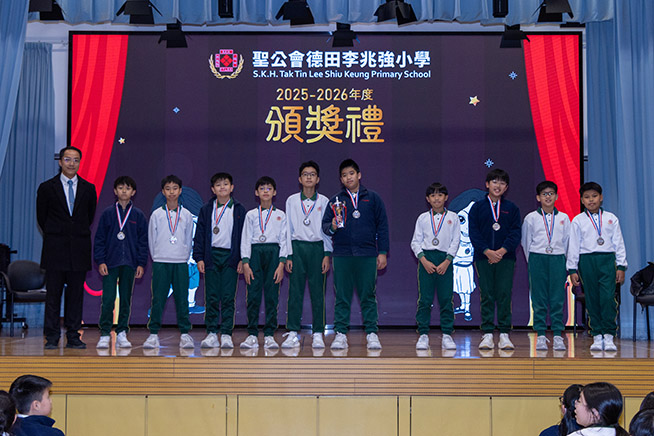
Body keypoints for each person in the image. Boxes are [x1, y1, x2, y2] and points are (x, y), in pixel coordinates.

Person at [321, 159, 389, 350]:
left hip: (367, 254)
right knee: (342, 296)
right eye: (344, 175)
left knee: (368, 295)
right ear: (341, 179)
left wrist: (382, 252)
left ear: (359, 175)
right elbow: (325, 226)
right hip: (342, 255)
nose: (348, 178)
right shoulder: (335, 201)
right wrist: (332, 226)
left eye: (351, 173)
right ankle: (340, 334)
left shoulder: (373, 198)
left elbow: (382, 226)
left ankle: (372, 333)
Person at [37, 146, 97, 350]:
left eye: (76, 160)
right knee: (53, 296)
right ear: (60, 161)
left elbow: (88, 217)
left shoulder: (88, 188)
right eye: (68, 159)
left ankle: (73, 336)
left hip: (78, 250)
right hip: (55, 250)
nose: (72, 163)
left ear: (80, 163)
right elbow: (42, 218)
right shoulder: (47, 188)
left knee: (75, 296)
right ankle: (52, 336)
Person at [567, 182, 627, 352]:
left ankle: (608, 334)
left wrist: (621, 266)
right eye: (587, 197)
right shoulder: (578, 220)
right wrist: (572, 269)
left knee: (607, 298)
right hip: (587, 261)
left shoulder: (611, 218)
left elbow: (619, 243)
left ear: (601, 198)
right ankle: (597, 335)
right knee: (592, 298)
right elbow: (573, 246)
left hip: (607, 260)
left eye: (594, 196)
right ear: (582, 200)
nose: (591, 200)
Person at [468, 169, 521, 350]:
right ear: (487, 184)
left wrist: (502, 251)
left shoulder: (512, 208)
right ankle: (488, 333)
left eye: (502, 183)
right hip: (483, 258)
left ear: (506, 187)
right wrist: (487, 251)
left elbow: (515, 233)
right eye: (494, 182)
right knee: (487, 294)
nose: (498, 186)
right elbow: (473, 233)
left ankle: (505, 333)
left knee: (504, 294)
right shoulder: (477, 208)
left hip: (506, 258)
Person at [93, 176, 148, 349]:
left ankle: (122, 331)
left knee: (125, 299)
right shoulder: (108, 213)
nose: (124, 191)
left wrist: (141, 263)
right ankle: (104, 333)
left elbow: (143, 242)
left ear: (133, 192)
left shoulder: (138, 215)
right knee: (108, 299)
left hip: (130, 263)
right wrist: (101, 261)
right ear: (115, 191)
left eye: (128, 188)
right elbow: (99, 239)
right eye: (121, 188)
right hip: (110, 263)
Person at [282, 161, 332, 349]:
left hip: (317, 249)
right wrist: (288, 254)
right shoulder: (292, 200)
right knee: (295, 292)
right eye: (305, 174)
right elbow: (287, 229)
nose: (309, 177)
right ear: (299, 179)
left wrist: (327, 254)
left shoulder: (324, 201)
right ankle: (292, 332)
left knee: (318, 293)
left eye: (312, 174)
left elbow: (327, 230)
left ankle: (318, 333)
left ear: (318, 179)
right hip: (297, 248)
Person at [193, 172, 246, 349]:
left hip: (231, 257)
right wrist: (199, 257)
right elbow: (200, 235)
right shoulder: (206, 209)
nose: (222, 187)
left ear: (232, 188)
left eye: (225, 184)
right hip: (211, 256)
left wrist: (242, 258)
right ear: (213, 189)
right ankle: (211, 333)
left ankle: (226, 334)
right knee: (212, 296)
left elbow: (244, 236)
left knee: (228, 297)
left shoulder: (239, 210)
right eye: (218, 185)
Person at [143, 175, 195, 349]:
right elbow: (152, 239)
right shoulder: (157, 214)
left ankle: (185, 334)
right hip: (161, 262)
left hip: (180, 262)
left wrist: (183, 256)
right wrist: (157, 257)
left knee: (182, 300)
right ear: (163, 192)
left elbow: (188, 239)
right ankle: (153, 334)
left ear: (180, 191)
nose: (171, 192)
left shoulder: (186, 215)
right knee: (158, 299)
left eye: (175, 188)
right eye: (168, 188)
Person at [410, 182, 460, 350]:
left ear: (446, 197)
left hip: (445, 260)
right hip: (427, 259)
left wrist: (447, 261)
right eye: (433, 195)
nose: (436, 198)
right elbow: (415, 242)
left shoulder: (453, 217)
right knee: (425, 299)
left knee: (446, 299)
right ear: (427, 199)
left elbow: (456, 241)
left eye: (440, 195)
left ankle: (447, 334)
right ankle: (423, 334)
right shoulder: (423, 218)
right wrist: (423, 260)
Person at [521, 181, 571, 351]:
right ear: (538, 198)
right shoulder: (531, 218)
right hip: (537, 258)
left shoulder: (564, 218)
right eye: (544, 194)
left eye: (551, 193)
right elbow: (526, 242)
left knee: (557, 298)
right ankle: (541, 335)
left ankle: (557, 335)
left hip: (558, 259)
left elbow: (567, 242)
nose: (548, 197)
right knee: (539, 297)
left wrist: (565, 262)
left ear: (556, 196)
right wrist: (533, 261)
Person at [240, 176, 288, 349]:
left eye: (269, 188)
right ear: (256, 192)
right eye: (262, 188)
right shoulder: (251, 215)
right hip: (255, 253)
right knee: (253, 296)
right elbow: (245, 238)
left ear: (274, 192)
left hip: (273, 254)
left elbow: (284, 240)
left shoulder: (281, 215)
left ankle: (269, 334)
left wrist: (281, 264)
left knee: (271, 296)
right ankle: (252, 334)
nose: (265, 191)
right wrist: (246, 263)